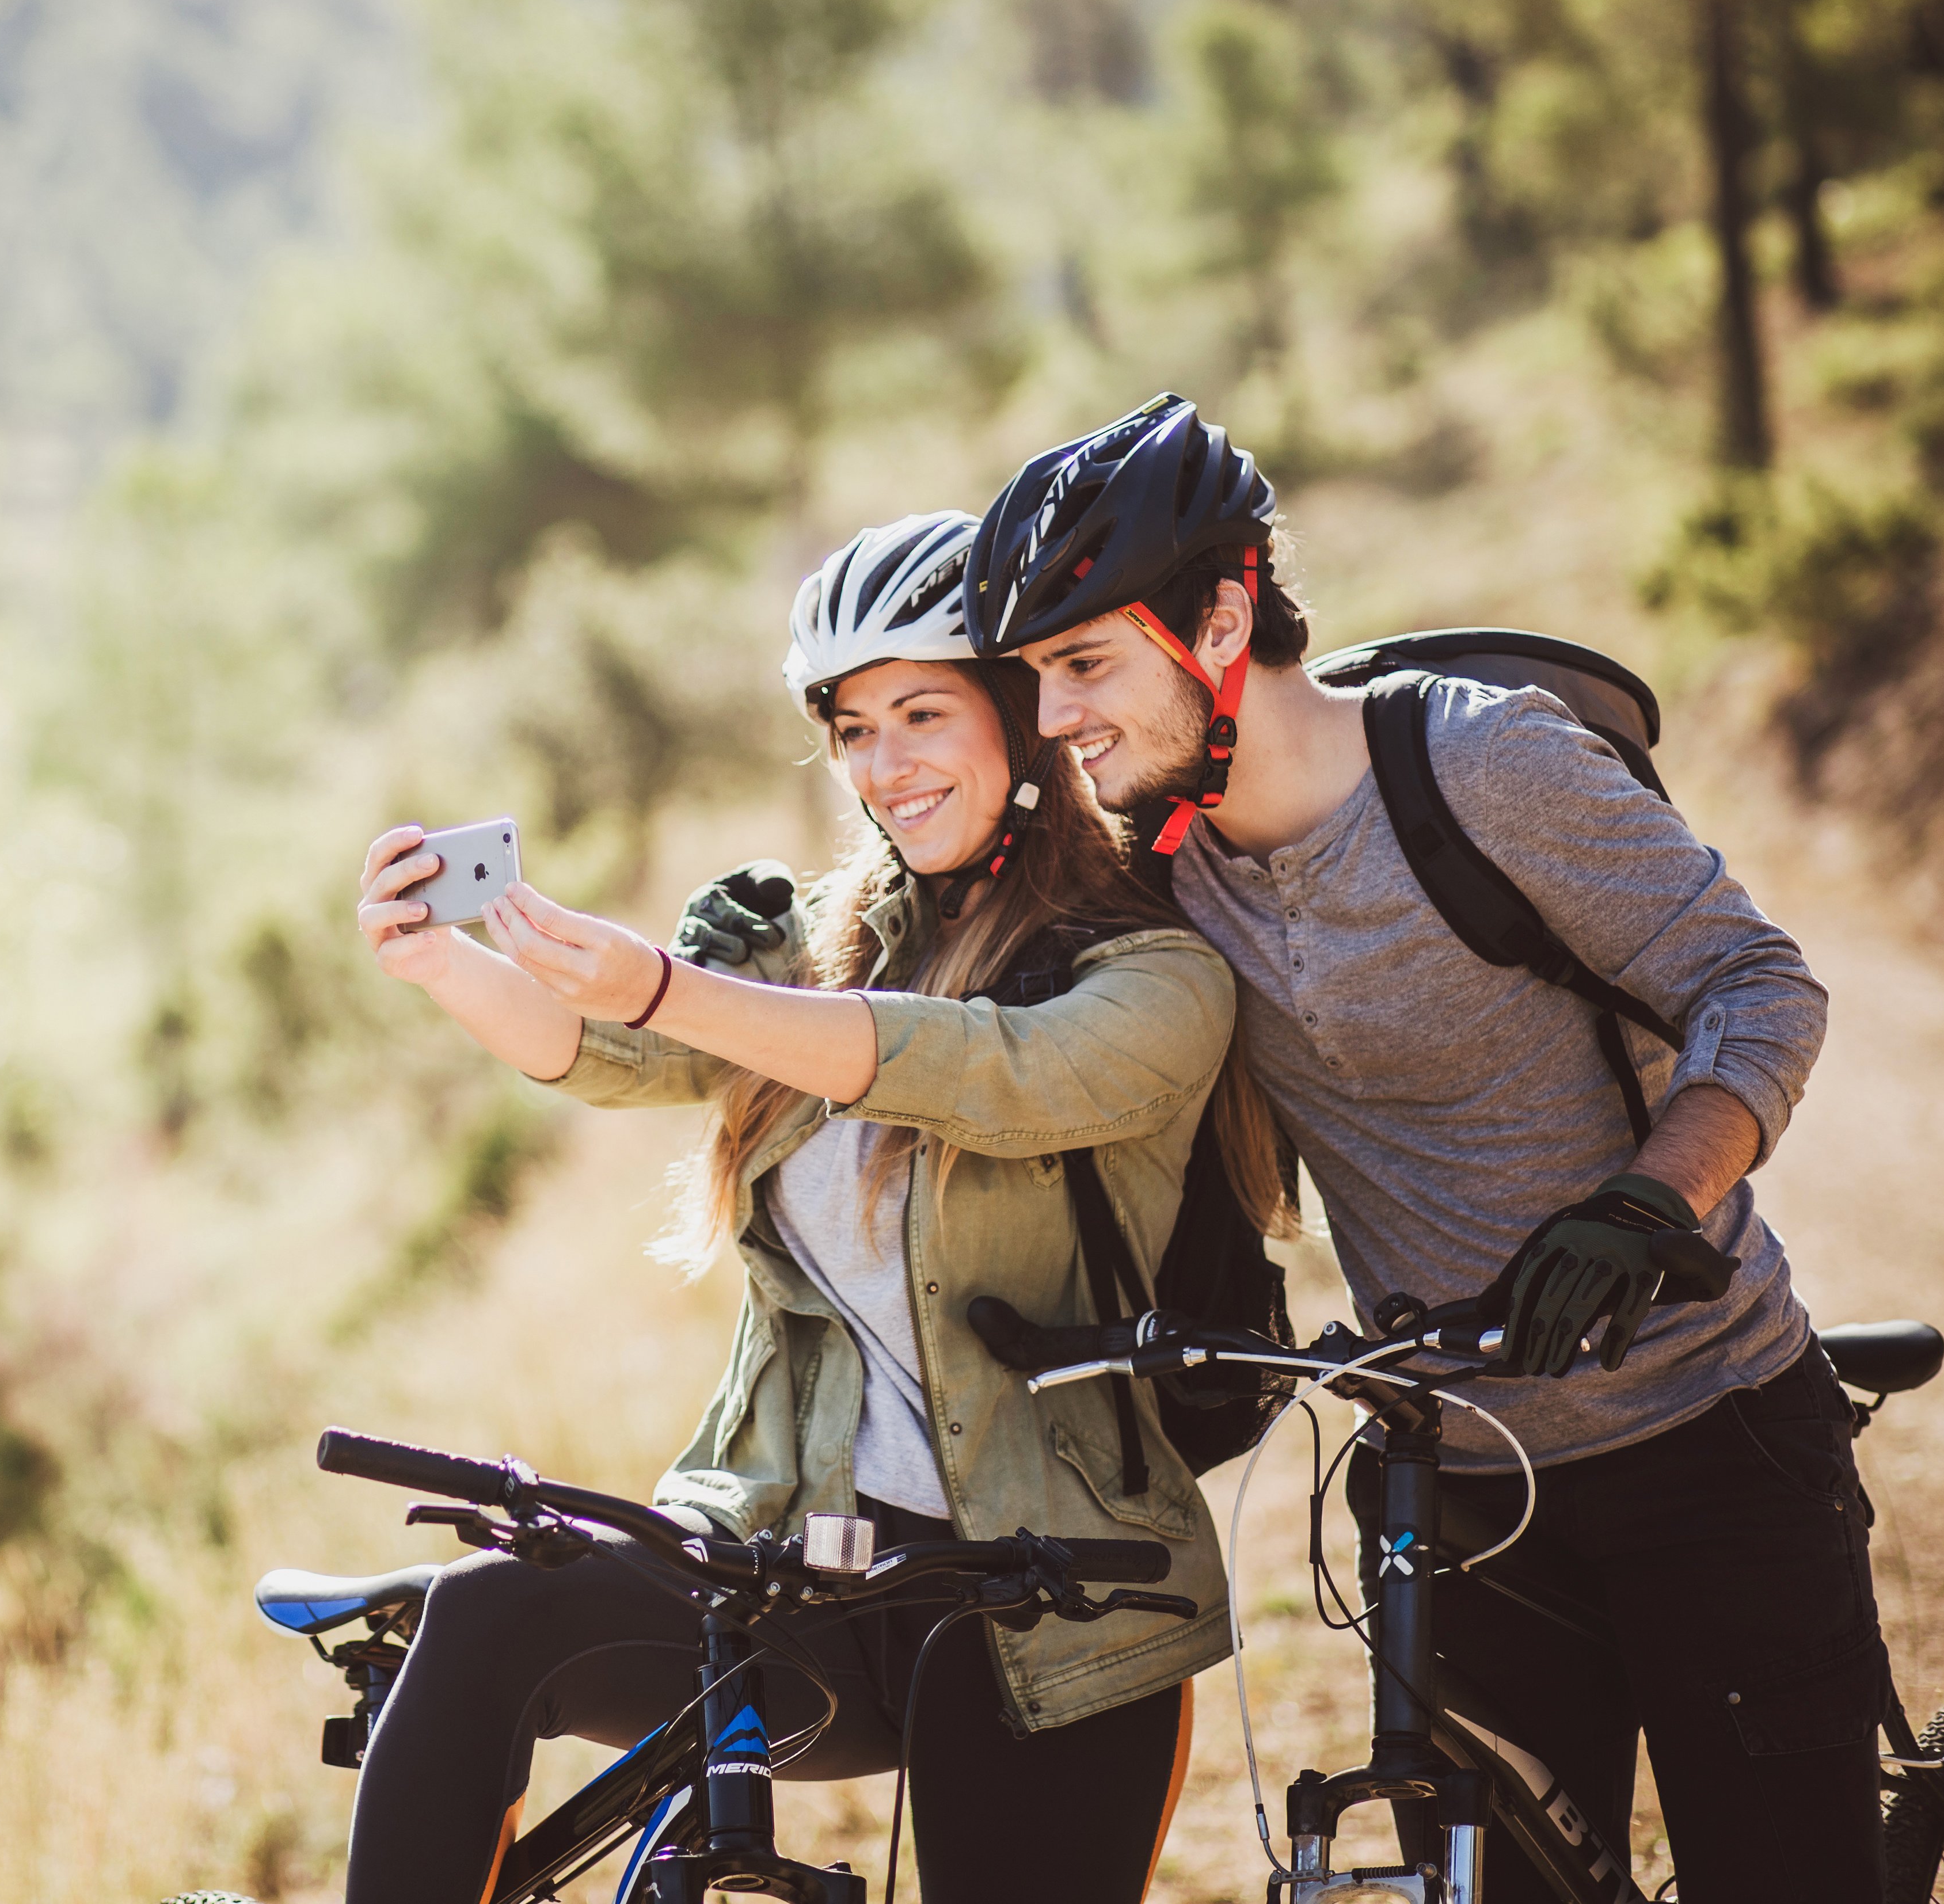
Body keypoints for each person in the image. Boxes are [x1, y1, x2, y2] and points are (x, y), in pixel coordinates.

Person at [968, 393, 1868, 1902]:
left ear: (1224, 612)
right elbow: (959, 939)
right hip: (1458, 1487)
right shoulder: (1159, 866)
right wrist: (770, 940)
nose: (1056, 720)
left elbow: (1756, 985)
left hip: (1709, 1441)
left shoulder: (1481, 770)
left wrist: (1655, 1199)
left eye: (1083, 665)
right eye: (1038, 680)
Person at [345, 510, 1275, 1904]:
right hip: (793, 1565)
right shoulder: (829, 939)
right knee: (489, 1617)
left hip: (1047, 1598)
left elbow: (967, 1069)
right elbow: (625, 1054)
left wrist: (673, 982)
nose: (883, 766)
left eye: (919, 714)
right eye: (851, 730)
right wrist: (443, 965)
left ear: (1023, 720)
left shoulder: (1154, 977)